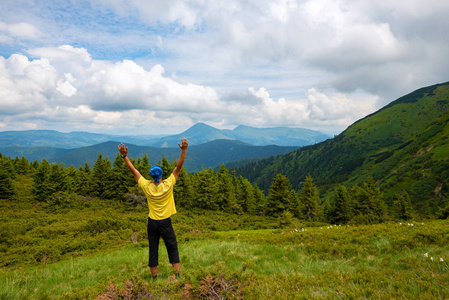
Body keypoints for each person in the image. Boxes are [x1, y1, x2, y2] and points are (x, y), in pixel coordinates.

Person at [118, 138, 188, 280]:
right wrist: (184, 150)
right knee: (172, 247)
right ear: (162, 175)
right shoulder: (168, 184)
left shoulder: (146, 186)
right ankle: (177, 275)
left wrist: (124, 156)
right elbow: (178, 167)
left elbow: (133, 171)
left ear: (151, 176)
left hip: (152, 223)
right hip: (165, 222)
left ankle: (154, 279)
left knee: (153, 249)